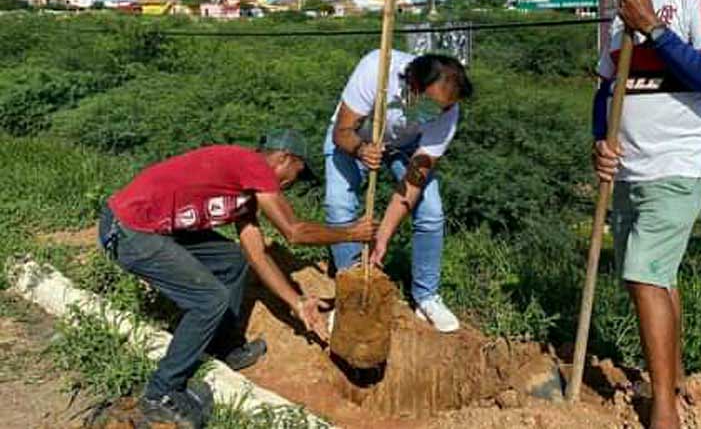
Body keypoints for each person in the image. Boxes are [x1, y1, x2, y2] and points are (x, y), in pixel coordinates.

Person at [98, 130, 376, 428]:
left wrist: (297, 302)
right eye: (296, 173)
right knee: (209, 300)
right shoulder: (253, 166)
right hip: (129, 230)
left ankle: (222, 346)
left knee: (234, 261)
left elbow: (256, 254)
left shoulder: (246, 191)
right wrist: (351, 233)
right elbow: (294, 232)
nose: (291, 184)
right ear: (284, 159)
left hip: (155, 228)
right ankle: (159, 394)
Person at [581, 0, 701, 429]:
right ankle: (675, 378)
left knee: (643, 276)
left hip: (678, 160)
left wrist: (654, 30)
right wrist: (601, 140)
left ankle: (664, 411)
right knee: (652, 279)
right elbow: (606, 87)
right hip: (627, 167)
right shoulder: (620, 11)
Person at [325, 51, 473, 333]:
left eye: (446, 108)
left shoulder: (448, 111)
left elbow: (414, 181)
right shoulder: (375, 70)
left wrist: (382, 237)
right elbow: (341, 131)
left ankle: (426, 297)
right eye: (435, 105)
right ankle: (351, 291)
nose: (441, 113)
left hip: (405, 145)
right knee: (339, 205)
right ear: (413, 88)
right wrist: (360, 149)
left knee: (430, 211)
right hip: (355, 136)